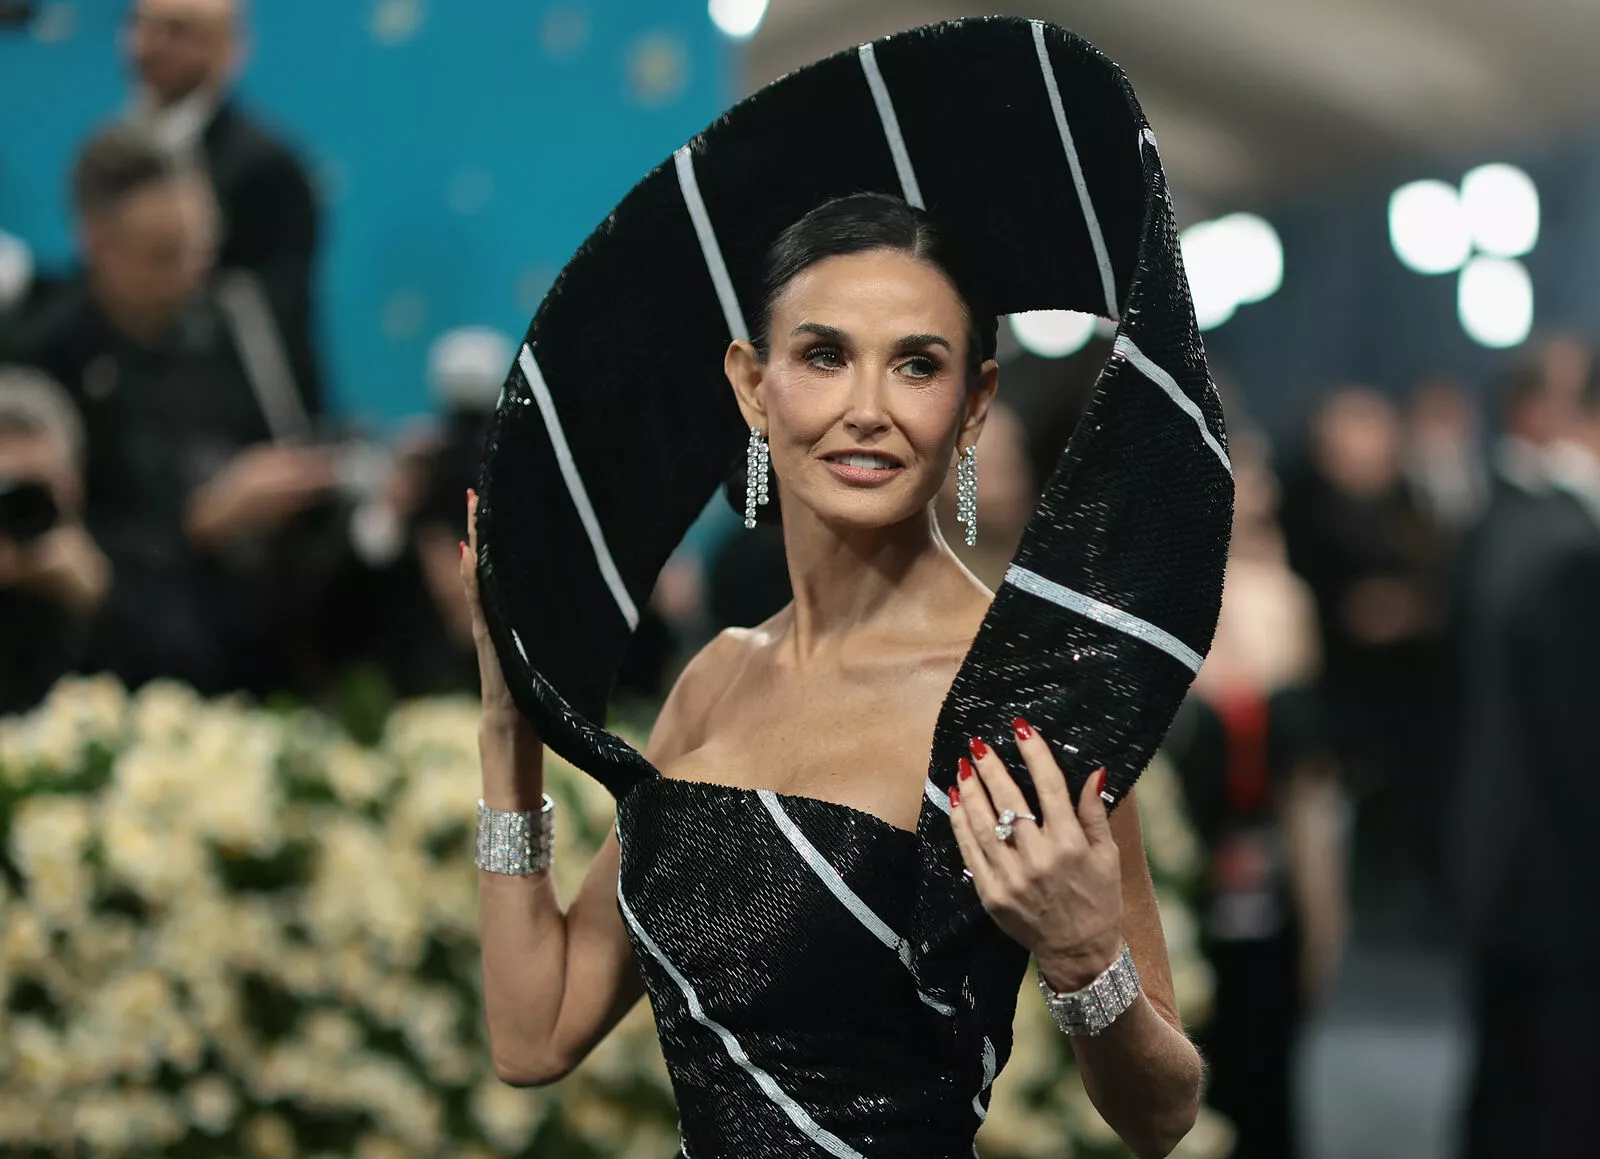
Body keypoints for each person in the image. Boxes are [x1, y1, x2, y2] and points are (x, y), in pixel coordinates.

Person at [456, 20, 1234, 1157]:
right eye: (823, 356)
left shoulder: (1021, 694)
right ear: (751, 386)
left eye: (916, 364)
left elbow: (1162, 1115)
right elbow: (535, 1032)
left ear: (973, 404)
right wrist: (505, 730)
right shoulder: (714, 681)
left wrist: (1085, 959)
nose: (866, 409)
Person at [11, 124, 337, 695]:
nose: (192, 271)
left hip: (255, 642)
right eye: (164, 255)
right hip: (106, 667)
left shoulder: (233, 322)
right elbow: (39, 539)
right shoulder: (38, 359)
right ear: (96, 242)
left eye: (202, 245)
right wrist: (198, 523)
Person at [1165, 429, 1347, 1159]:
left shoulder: (1286, 599)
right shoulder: (1147, 597)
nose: (1262, 485)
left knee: (1269, 1083)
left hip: (1271, 885)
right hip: (1175, 893)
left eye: (1263, 470)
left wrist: (1326, 910)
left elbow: (1310, 785)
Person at [1450, 357, 1600, 1159]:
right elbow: (1579, 748)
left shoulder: (1511, 521)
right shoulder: (1570, 545)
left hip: (1505, 855)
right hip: (1561, 878)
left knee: (1508, 1092)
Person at [125, 0, 323, 413]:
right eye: (141, 25)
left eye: (177, 31)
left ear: (225, 48)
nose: (151, 44)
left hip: (227, 407)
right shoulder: (116, 150)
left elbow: (275, 313)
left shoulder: (265, 166)